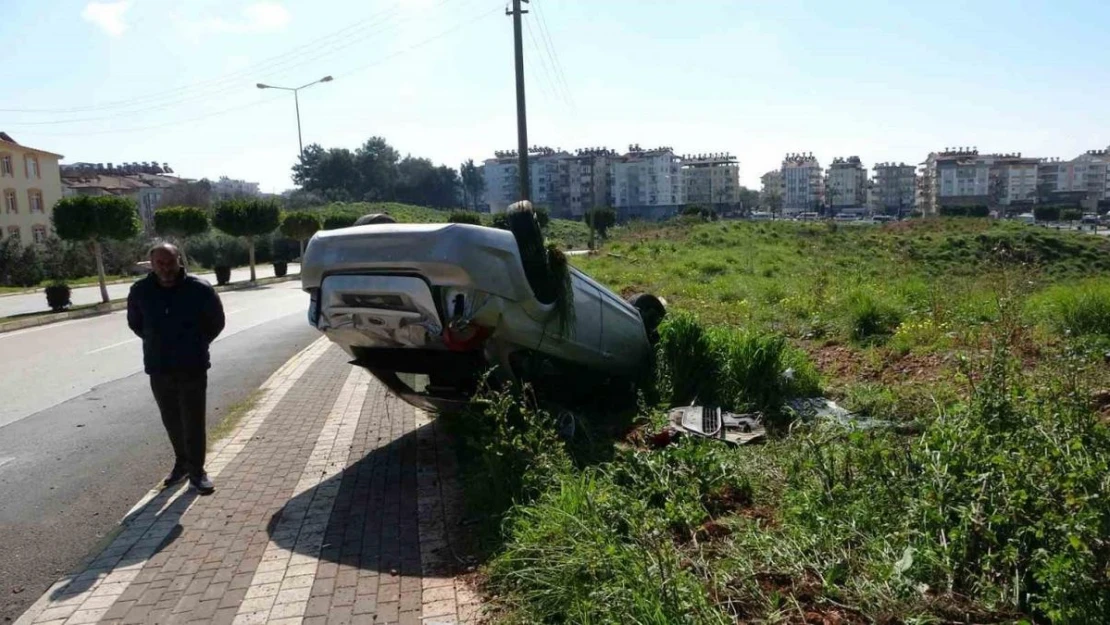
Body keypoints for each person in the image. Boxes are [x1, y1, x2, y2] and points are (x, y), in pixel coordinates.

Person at [127, 242, 225, 495]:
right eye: (159, 263)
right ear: (152, 265)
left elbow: (216, 322)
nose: (165, 268)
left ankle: (197, 472)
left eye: (170, 262)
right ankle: (181, 463)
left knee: (193, 420)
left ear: (178, 260)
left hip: (192, 365)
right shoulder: (140, 291)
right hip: (158, 367)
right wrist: (159, 343)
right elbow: (136, 324)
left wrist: (194, 344)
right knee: (171, 419)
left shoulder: (199, 289)